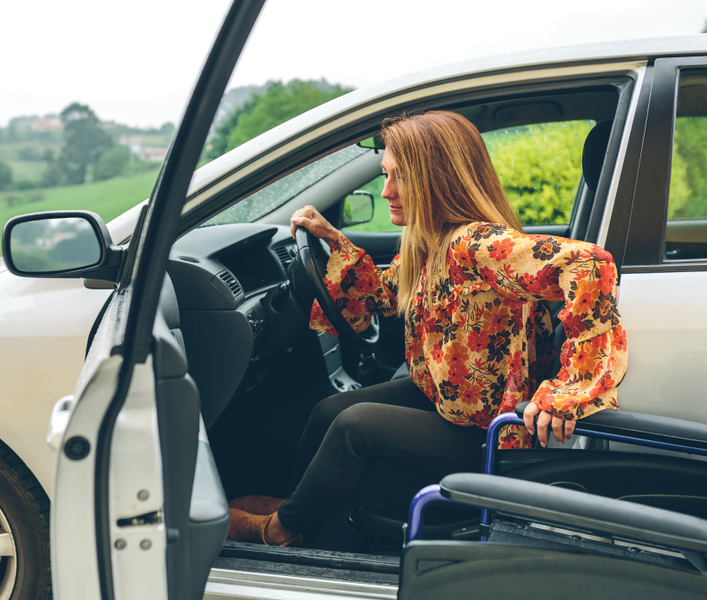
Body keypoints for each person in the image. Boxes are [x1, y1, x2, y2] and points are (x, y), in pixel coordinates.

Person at [226, 111, 627, 547]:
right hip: (446, 396)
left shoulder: (474, 244)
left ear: (437, 178)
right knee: (328, 410)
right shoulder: (431, 240)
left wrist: (569, 390)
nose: (387, 192)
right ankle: (301, 507)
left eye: (401, 178)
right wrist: (332, 240)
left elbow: (590, 265)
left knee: (353, 426)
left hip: (491, 428)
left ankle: (279, 530)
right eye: (385, 175)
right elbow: (383, 292)